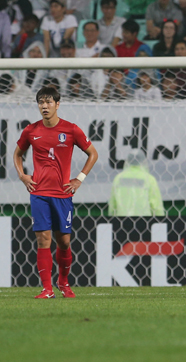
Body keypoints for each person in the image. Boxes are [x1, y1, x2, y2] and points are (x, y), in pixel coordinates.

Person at [12, 86, 99, 299]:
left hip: (62, 194)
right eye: (41, 102)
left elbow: (93, 154)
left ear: (57, 105)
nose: (44, 106)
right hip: (39, 192)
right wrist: (23, 176)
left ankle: (63, 282)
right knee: (43, 239)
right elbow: (17, 154)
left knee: (64, 242)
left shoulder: (71, 130)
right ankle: (47, 289)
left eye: (49, 102)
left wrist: (79, 179)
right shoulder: (31, 131)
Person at [109, 150, 164, 216]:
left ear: (127, 161)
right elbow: (156, 206)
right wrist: (160, 223)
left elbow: (113, 205)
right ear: (143, 161)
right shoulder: (149, 179)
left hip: (122, 220)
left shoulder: (118, 178)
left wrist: (112, 219)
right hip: (144, 221)